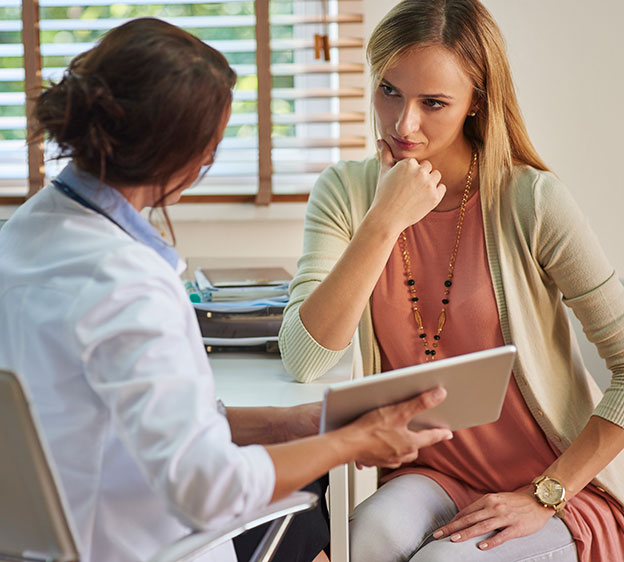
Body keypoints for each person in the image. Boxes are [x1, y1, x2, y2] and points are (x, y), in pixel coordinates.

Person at [0, 18, 455, 562]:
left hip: (59, 531)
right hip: (143, 542)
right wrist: (352, 442)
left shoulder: (23, 235)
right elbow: (208, 487)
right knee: (310, 506)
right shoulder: (129, 284)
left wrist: (291, 422)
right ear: (185, 161)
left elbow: (136, 414)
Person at [277, 0, 624, 560]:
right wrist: (385, 218)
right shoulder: (345, 192)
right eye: (389, 90)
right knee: (357, 541)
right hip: (433, 476)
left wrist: (548, 492)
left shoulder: (530, 200)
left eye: (433, 103)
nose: (402, 123)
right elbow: (304, 357)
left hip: (551, 484)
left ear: (476, 102)